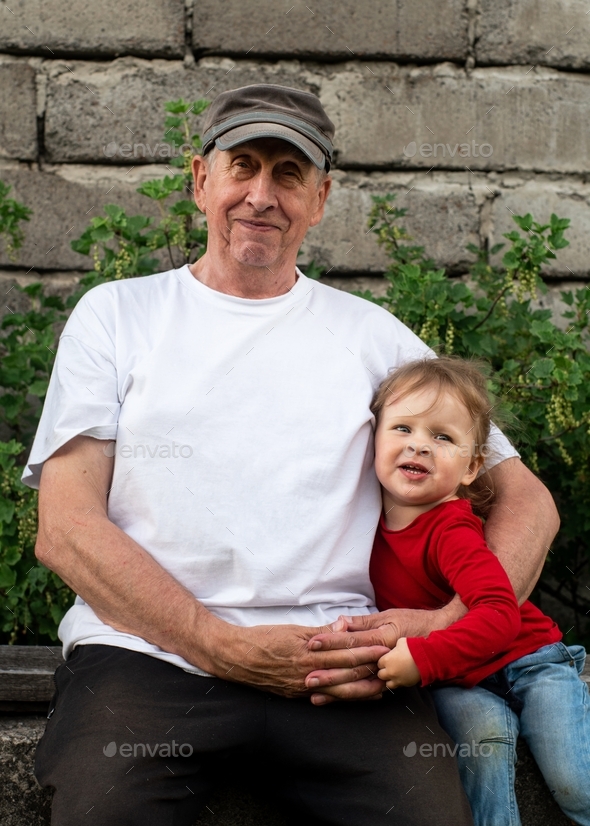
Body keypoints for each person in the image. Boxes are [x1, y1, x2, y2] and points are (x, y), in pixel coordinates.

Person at [23, 83, 558, 826]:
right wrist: (216, 643)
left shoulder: (375, 338)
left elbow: (525, 497)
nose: (261, 195)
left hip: (339, 667)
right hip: (148, 658)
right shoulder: (118, 317)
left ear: (322, 196)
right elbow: (67, 525)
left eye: (288, 174)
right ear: (200, 180)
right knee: (103, 811)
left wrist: (445, 625)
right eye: (242, 166)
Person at [370, 356, 590, 826]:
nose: (419, 445)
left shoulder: (451, 529)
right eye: (403, 428)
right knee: (482, 742)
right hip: (459, 680)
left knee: (574, 781)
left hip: (528, 660)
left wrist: (424, 659)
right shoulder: (359, 528)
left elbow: (498, 614)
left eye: (442, 437)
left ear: (472, 467)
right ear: (372, 439)